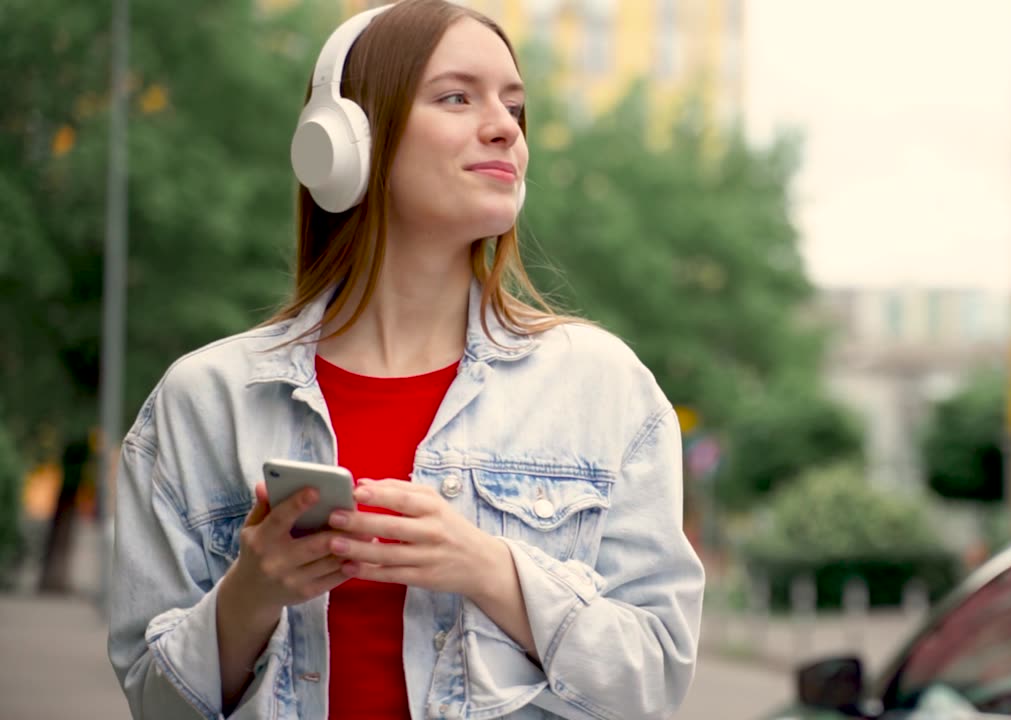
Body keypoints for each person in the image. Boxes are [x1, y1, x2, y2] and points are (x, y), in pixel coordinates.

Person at [106, 2, 705, 718]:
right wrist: (252, 591)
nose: (505, 126)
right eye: (457, 97)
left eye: (515, 107)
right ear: (344, 141)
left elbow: (653, 685)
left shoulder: (604, 388)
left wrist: (490, 570)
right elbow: (153, 704)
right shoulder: (204, 400)